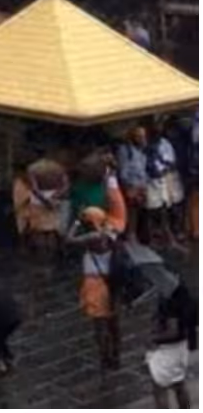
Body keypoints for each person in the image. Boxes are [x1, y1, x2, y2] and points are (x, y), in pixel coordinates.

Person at [66, 207, 122, 371]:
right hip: (112, 281)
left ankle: (104, 356)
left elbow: (69, 240)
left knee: (99, 324)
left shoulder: (93, 236)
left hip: (96, 284)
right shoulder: (110, 232)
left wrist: (75, 223)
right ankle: (116, 354)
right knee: (114, 322)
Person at [147, 278, 195, 409]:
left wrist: (153, 338)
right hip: (182, 347)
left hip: (168, 351)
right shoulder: (183, 295)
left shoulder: (170, 301)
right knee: (179, 384)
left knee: (159, 389)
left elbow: (172, 331)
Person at [116, 127, 150, 244]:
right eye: (139, 137)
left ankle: (137, 233)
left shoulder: (142, 150)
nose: (142, 139)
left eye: (143, 136)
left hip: (142, 184)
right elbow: (123, 171)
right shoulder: (125, 150)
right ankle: (130, 235)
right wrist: (129, 187)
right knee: (131, 211)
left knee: (140, 210)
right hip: (131, 184)